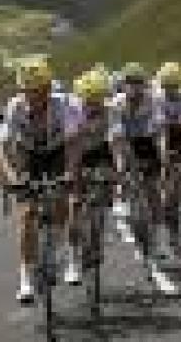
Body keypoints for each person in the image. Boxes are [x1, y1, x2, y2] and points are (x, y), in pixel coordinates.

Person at [0, 56, 77, 304]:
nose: (31, 96)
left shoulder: (62, 104)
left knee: (62, 200)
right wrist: (12, 177)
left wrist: (70, 172)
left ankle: (57, 245)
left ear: (47, 88)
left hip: (57, 151)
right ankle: (25, 277)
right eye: (27, 91)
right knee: (27, 214)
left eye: (37, 91)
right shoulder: (15, 106)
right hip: (28, 153)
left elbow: (73, 144)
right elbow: (4, 147)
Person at [110, 62, 172, 261]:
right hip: (125, 142)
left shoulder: (154, 101)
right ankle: (123, 200)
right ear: (124, 85)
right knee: (123, 175)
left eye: (138, 83)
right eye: (130, 83)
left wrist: (162, 155)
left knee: (153, 191)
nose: (134, 87)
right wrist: (121, 168)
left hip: (147, 142)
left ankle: (162, 241)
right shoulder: (116, 103)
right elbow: (117, 138)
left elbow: (160, 132)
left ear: (144, 84)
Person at [66, 66, 114, 286]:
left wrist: (118, 173)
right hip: (77, 152)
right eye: (90, 100)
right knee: (75, 204)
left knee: (104, 194)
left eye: (98, 99)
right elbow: (70, 147)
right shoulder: (73, 110)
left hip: (101, 152)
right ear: (81, 98)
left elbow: (116, 142)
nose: (94, 104)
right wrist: (72, 178)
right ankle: (73, 261)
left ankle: (98, 234)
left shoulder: (110, 110)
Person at [156, 62, 181, 252]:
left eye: (173, 86)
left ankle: (179, 220)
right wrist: (162, 155)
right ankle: (160, 231)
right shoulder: (157, 98)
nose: (169, 90)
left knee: (177, 188)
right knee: (162, 191)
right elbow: (159, 130)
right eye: (166, 86)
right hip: (159, 137)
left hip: (177, 138)